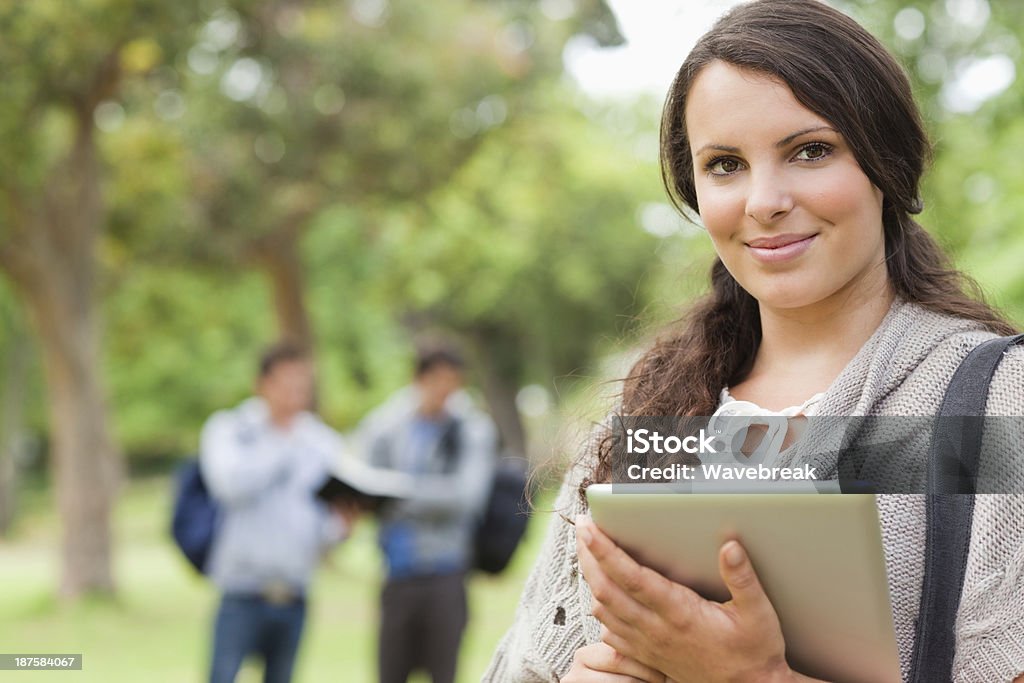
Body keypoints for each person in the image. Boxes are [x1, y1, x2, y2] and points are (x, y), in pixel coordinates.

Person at [484, 1, 1024, 681]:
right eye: (725, 164)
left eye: (810, 151)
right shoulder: (656, 414)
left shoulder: (996, 403)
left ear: (884, 165)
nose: (763, 200)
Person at [200, 342, 356, 683]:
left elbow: (322, 525)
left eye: (302, 385)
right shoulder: (232, 429)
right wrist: (284, 444)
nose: (295, 394)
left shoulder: (322, 442)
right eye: (286, 383)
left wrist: (342, 527)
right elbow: (230, 485)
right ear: (262, 384)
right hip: (242, 590)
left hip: (295, 592)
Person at [359, 346, 498, 683]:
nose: (445, 392)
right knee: (390, 672)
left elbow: (466, 497)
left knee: (443, 673)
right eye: (437, 381)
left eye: (453, 383)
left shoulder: (471, 429)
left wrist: (398, 494)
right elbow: (364, 482)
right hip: (397, 573)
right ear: (418, 380)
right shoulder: (387, 426)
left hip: (446, 573)